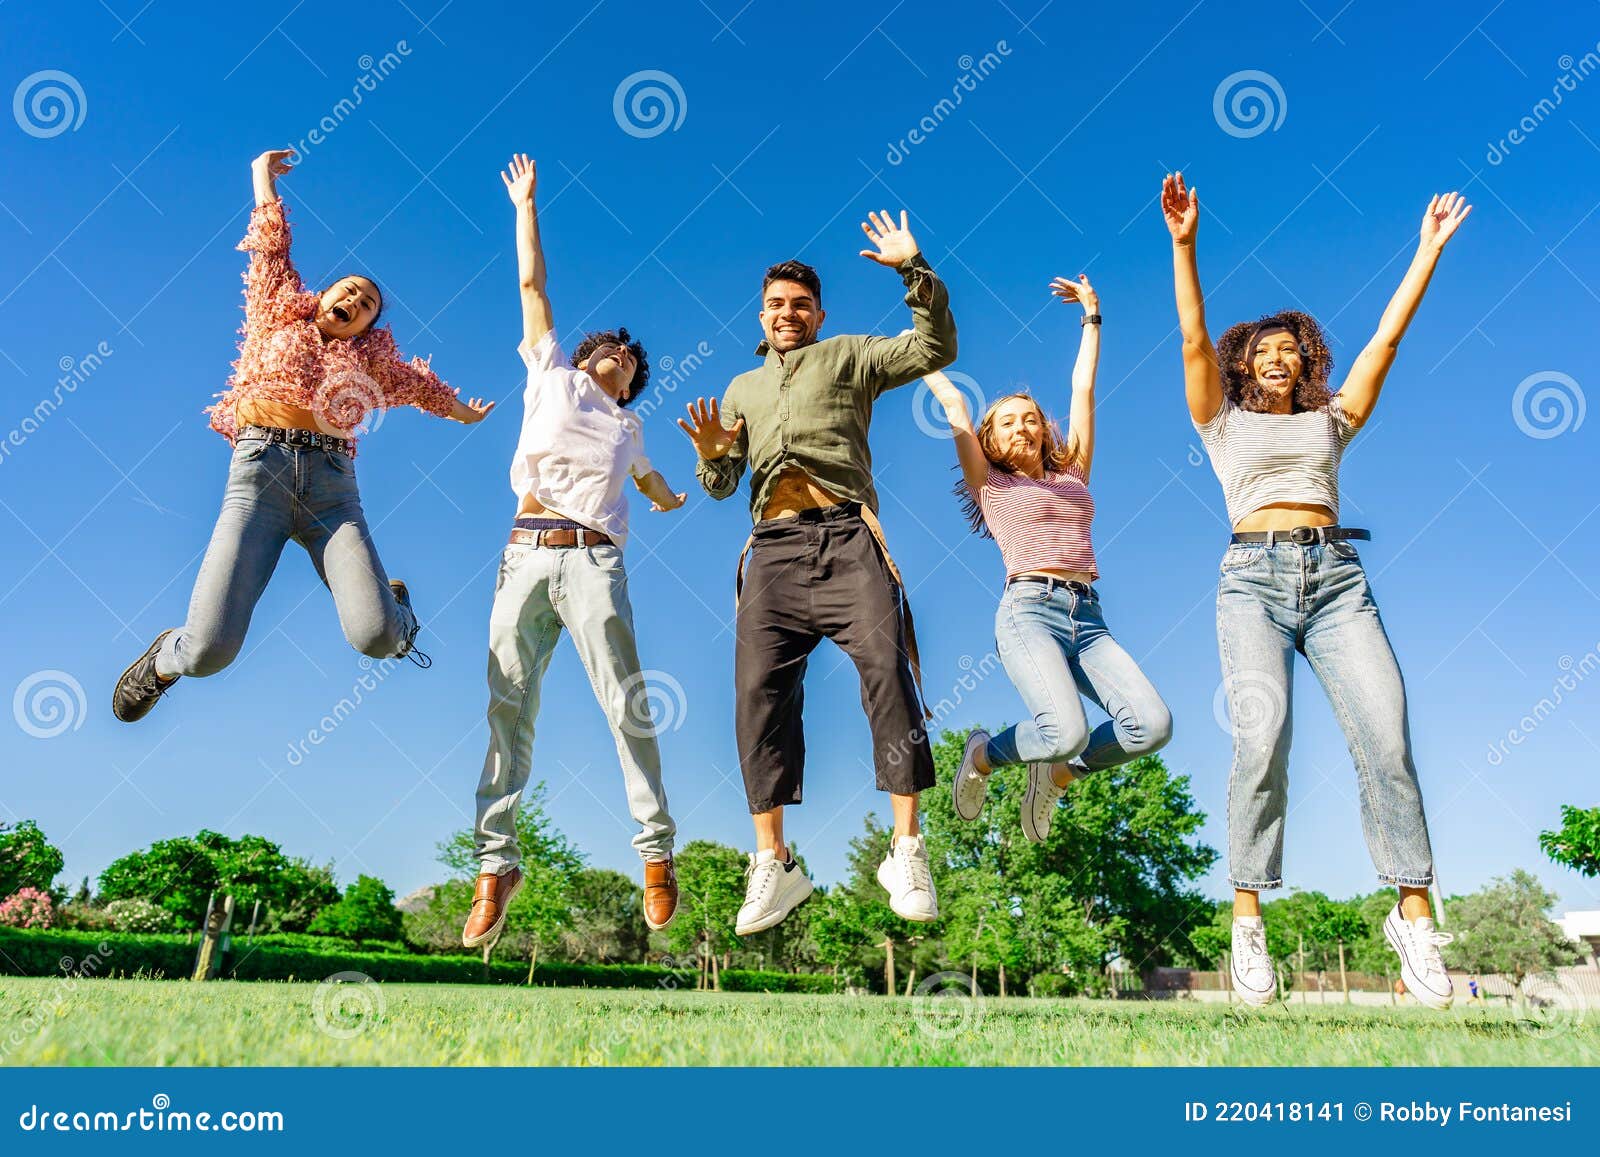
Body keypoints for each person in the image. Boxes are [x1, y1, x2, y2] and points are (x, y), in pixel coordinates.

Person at [1162, 171, 1470, 1009]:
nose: (1275, 356)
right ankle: (1249, 921)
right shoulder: (1220, 421)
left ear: (1304, 361)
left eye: (1288, 348)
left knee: (1386, 735)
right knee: (1262, 743)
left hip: (1338, 581)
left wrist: (1426, 253)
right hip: (1251, 581)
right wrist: (1184, 244)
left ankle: (1414, 917)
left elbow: (1386, 342)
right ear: (1243, 364)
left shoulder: (1331, 419)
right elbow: (1191, 338)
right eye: (1261, 350)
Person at [113, 148, 492, 723]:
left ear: (370, 326)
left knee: (379, 638)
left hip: (332, 494)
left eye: (367, 305)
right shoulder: (276, 313)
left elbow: (424, 389)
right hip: (257, 479)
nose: (354, 302)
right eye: (348, 291)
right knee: (210, 651)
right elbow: (270, 244)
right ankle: (162, 662)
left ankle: (400, 611)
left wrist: (468, 415)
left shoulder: (372, 366)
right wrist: (261, 177)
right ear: (323, 294)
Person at [679, 210, 957, 934]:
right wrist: (713, 453)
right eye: (776, 304)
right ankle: (773, 863)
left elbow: (935, 346)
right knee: (755, 695)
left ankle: (906, 846)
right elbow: (717, 486)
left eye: (800, 304)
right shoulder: (740, 388)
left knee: (888, 671)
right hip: (770, 549)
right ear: (762, 313)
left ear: (819, 312)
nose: (787, 313)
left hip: (847, 537)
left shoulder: (853, 356)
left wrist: (912, 267)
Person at [462, 155, 685, 950]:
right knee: (507, 703)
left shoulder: (629, 427)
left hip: (594, 561)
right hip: (525, 551)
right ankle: (495, 863)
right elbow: (531, 287)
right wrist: (526, 205)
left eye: (627, 361)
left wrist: (671, 497)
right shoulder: (550, 377)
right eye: (606, 350)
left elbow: (656, 485)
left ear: (632, 385)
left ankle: (656, 852)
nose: (614, 357)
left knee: (624, 698)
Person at [934, 274, 1172, 841]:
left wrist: (1092, 314)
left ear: (1044, 431)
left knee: (1151, 726)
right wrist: (921, 351)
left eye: (1030, 417)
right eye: (1008, 420)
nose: (1022, 425)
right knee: (1063, 728)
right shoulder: (989, 484)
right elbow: (954, 406)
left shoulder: (1072, 475)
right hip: (1028, 611)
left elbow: (1082, 391)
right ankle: (984, 756)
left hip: (1088, 617)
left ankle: (1059, 775)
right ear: (991, 440)